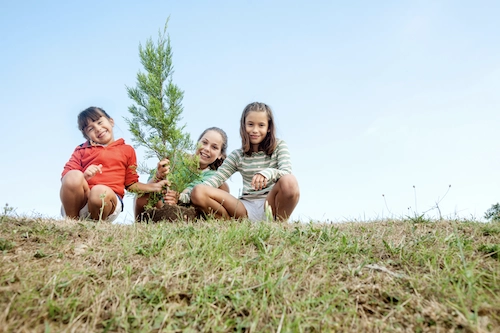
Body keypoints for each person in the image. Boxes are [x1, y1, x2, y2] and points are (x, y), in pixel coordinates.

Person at [190, 102, 300, 222]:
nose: (255, 130)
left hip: (271, 204)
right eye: (250, 124)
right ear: (244, 125)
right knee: (198, 191)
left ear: (269, 128)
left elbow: (286, 172)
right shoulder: (237, 155)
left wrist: (268, 173)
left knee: (289, 181)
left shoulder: (279, 146)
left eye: (261, 125)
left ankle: (278, 224)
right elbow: (215, 180)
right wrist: (184, 196)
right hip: (245, 208)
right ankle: (229, 224)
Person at [60, 107, 168, 222]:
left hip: (107, 202)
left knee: (99, 192)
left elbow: (131, 183)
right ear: (86, 136)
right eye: (91, 128)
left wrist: (152, 186)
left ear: (111, 121)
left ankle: (98, 225)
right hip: (81, 203)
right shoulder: (81, 150)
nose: (98, 128)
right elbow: (66, 178)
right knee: (73, 175)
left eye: (100, 122)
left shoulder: (126, 150)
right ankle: (71, 222)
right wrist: (84, 176)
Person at [134, 127, 230, 220]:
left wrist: (177, 198)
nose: (207, 149)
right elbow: (148, 187)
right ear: (197, 143)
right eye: (204, 142)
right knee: (144, 193)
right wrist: (158, 176)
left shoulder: (213, 176)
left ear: (220, 155)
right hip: (158, 205)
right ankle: (139, 225)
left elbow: (192, 194)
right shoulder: (176, 157)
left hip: (185, 212)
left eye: (214, 147)